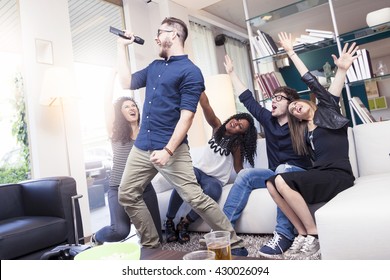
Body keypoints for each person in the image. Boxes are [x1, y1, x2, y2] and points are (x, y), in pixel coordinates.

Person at [116, 17, 248, 255]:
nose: (156, 37)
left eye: (160, 32)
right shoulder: (155, 67)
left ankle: (235, 244)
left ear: (174, 35)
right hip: (143, 146)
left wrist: (168, 150)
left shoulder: (191, 72)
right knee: (127, 193)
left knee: (195, 197)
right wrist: (121, 47)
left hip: (172, 148)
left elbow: (186, 117)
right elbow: (126, 81)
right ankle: (151, 244)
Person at [265, 32, 357, 259]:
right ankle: (302, 233)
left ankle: (314, 235)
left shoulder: (328, 112)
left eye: (296, 104)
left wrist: (342, 70)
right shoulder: (304, 132)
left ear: (306, 102)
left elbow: (310, 80)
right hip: (319, 173)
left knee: (280, 179)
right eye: (293, 111)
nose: (295, 108)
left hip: (339, 175)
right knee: (271, 182)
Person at [222, 54, 313, 258]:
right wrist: (231, 73)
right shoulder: (267, 120)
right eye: (273, 97)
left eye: (279, 98)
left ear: (291, 104)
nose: (273, 100)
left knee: (281, 171)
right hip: (276, 174)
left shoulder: (301, 123)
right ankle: (224, 232)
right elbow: (247, 98)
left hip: (299, 175)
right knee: (246, 174)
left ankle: (283, 235)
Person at [165, 91, 257, 244]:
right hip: (198, 170)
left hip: (214, 180)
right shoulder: (217, 128)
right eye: (238, 119)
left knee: (214, 191)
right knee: (183, 179)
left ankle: (185, 223)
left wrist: (249, 180)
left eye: (240, 126)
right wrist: (200, 90)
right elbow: (206, 106)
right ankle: (169, 220)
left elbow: (238, 168)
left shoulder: (236, 145)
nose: (236, 122)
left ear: (241, 134)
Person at [91, 71, 162, 245]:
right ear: (119, 113)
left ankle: (143, 236)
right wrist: (111, 76)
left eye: (133, 106)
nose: (132, 108)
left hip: (144, 188)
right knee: (120, 231)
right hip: (118, 188)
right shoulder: (115, 131)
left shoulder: (147, 131)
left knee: (157, 237)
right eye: (126, 107)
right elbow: (106, 103)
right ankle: (96, 237)